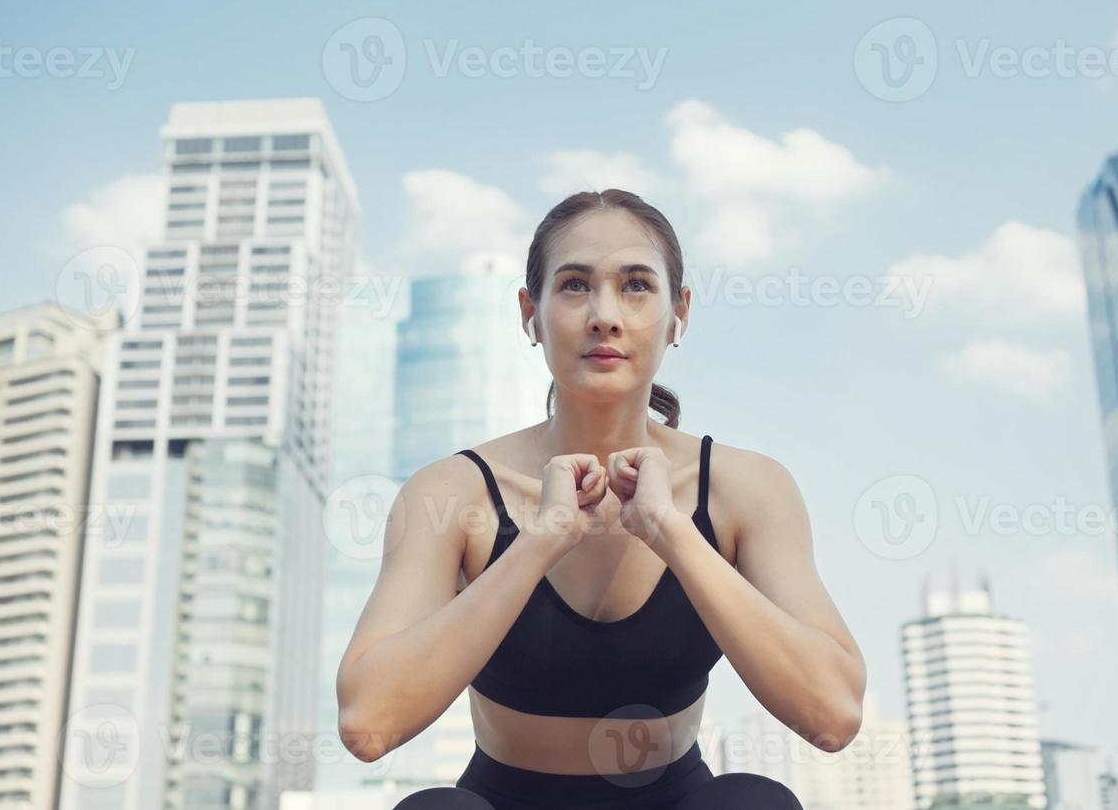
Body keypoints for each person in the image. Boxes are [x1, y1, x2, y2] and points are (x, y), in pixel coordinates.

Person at [337, 189, 866, 809]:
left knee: (753, 802)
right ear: (530, 313)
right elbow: (368, 725)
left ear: (680, 314)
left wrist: (673, 533)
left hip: (677, 798)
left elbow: (833, 716)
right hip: (506, 799)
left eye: (637, 285)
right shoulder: (451, 492)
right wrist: (540, 541)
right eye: (574, 285)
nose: (605, 315)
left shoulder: (745, 488)